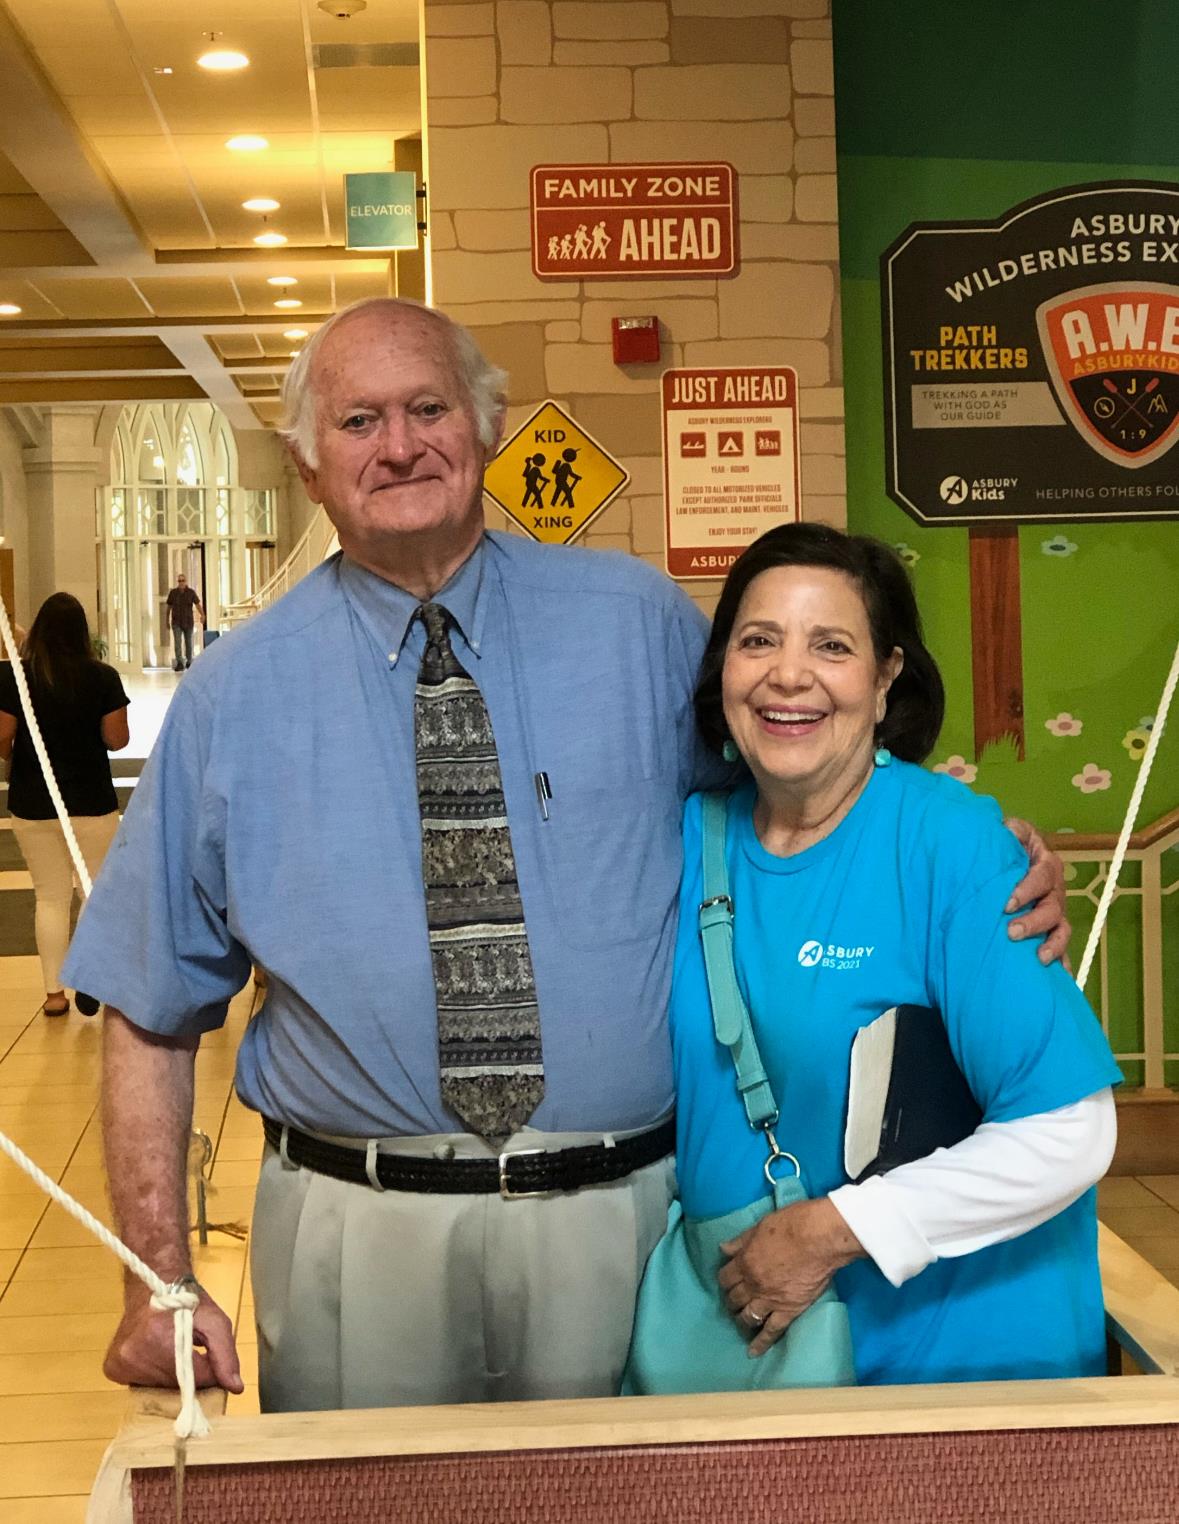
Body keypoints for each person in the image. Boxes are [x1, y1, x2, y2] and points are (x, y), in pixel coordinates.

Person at [62, 298, 1070, 1412]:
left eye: (428, 408)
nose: (399, 446)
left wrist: (972, 854)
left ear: (487, 426)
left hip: (618, 1222)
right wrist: (156, 1280)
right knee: (373, 1498)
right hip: (356, 1229)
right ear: (306, 462)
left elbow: (801, 789)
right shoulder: (231, 697)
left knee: (624, 1490)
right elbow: (148, 1006)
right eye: (357, 421)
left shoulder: (638, 624)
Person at [662, 524, 1119, 1387]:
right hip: (755, 1356)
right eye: (757, 641)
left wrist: (829, 1232)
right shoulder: (687, 838)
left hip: (955, 1359)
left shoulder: (951, 844)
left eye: (830, 646)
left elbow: (1068, 1131)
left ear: (884, 679)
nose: (787, 674)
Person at [0, 593, 129, 1016]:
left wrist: (15, 756)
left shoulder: (17, 678)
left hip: (33, 801)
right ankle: (90, 979)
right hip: (92, 801)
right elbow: (117, 739)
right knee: (92, 891)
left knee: (50, 897)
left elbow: (2, 736)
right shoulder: (103, 677)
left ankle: (54, 994)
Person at [165, 572, 203, 670]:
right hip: (176, 622)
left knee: (188, 642)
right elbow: (169, 607)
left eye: (183, 580)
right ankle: (179, 663)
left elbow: (197, 604)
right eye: (179, 581)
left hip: (188, 622)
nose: (181, 582)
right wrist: (166, 620)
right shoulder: (173, 593)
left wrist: (202, 615)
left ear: (186, 581)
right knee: (177, 643)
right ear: (178, 582)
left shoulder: (191, 592)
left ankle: (189, 661)